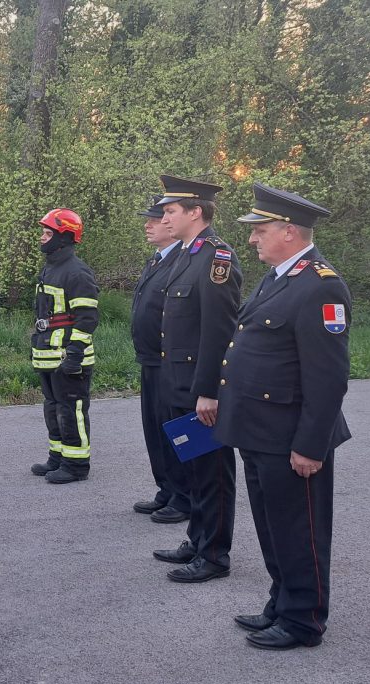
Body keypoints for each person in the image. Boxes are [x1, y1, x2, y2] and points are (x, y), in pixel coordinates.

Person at [214, 184, 350, 650]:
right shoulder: (278, 276)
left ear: (289, 232)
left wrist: (311, 444)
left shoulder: (321, 286)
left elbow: (328, 377)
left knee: (300, 529)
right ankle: (281, 601)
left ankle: (303, 620)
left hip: (291, 436)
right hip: (258, 431)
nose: (252, 239)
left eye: (261, 230)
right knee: (273, 526)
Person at [149, 175, 243, 583]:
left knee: (212, 473)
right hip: (177, 381)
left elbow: (219, 332)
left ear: (195, 212)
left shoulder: (216, 258)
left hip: (198, 389)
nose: (165, 217)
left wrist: (209, 390)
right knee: (193, 469)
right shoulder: (187, 255)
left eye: (171, 210)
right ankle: (198, 538)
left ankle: (214, 555)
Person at [28, 208, 100, 484]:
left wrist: (75, 354)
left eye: (47, 234)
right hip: (47, 357)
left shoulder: (77, 272)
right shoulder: (51, 268)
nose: (42, 238)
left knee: (72, 411)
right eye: (43, 233)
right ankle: (57, 458)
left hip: (68, 359)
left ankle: (76, 465)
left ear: (64, 237)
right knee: (53, 409)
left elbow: (87, 318)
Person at [129, 196, 190, 523]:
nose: (149, 225)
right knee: (154, 431)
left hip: (171, 364)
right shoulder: (157, 260)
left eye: (156, 218)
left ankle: (184, 497)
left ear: (171, 224)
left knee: (174, 432)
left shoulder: (182, 261)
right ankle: (166, 489)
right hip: (151, 360)